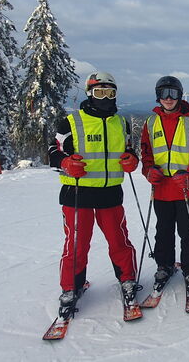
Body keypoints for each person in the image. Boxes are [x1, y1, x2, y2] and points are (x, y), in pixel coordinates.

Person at [47, 71, 140, 318]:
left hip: (110, 192)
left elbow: (129, 151)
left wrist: (132, 160)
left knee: (119, 241)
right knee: (77, 244)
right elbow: (52, 153)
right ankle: (71, 287)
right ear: (90, 93)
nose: (106, 97)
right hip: (78, 193)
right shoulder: (71, 122)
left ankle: (128, 279)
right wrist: (66, 163)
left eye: (110, 92)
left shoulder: (121, 123)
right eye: (100, 92)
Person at [139, 75, 189, 305]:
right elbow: (146, 153)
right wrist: (148, 170)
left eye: (173, 93)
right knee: (163, 230)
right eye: (164, 94)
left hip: (186, 188)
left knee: (188, 231)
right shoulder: (151, 123)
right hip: (161, 188)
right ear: (158, 96)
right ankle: (165, 265)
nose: (169, 99)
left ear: (180, 95)